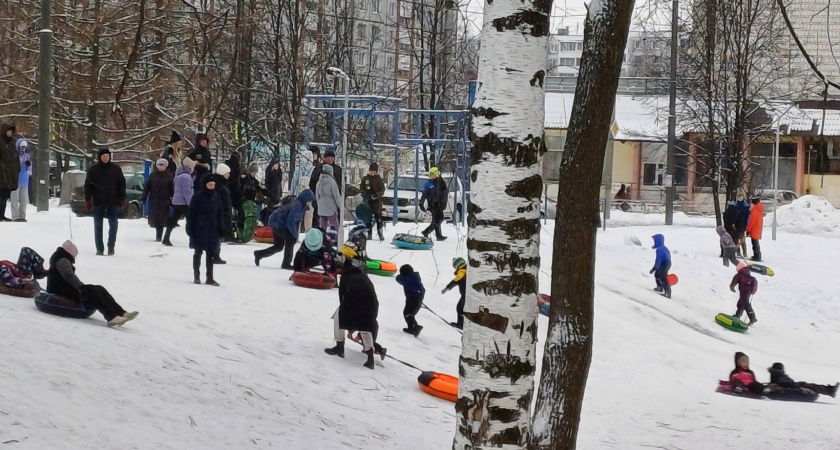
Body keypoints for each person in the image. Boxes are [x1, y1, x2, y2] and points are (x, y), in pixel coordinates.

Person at [46, 240, 138, 327]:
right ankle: (111, 317)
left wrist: (83, 287)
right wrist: (81, 287)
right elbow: (69, 276)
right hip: (59, 289)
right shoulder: (63, 260)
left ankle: (121, 312)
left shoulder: (61, 258)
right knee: (92, 291)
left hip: (63, 287)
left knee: (99, 288)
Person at [325, 259, 381, 370]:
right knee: (365, 327)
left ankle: (339, 347)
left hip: (353, 302)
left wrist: (347, 322)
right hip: (371, 305)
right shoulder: (365, 277)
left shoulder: (346, 277)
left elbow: (342, 297)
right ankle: (370, 359)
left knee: (338, 318)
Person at [254, 189, 315, 269]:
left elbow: (296, 223)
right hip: (278, 223)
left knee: (278, 246)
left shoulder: (301, 205)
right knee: (290, 240)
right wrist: (294, 235)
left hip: (276, 222)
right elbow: (291, 221)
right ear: (306, 199)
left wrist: (295, 234)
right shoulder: (297, 205)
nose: (310, 203)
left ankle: (259, 254)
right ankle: (286, 263)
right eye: (310, 200)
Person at [84, 148, 126, 256]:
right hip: (98, 202)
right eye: (103, 156)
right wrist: (88, 199)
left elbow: (122, 184)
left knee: (114, 225)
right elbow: (88, 186)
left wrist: (122, 198)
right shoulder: (93, 170)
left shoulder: (116, 169)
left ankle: (111, 247)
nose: (105, 158)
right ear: (100, 157)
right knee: (98, 226)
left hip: (113, 202)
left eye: (107, 156)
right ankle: (99, 248)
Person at [186, 175, 225, 286]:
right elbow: (191, 214)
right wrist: (190, 228)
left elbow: (220, 214)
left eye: (213, 185)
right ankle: (196, 275)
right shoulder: (197, 197)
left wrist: (221, 227)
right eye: (210, 185)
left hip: (213, 230)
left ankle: (209, 277)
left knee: (210, 254)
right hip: (199, 229)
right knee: (198, 252)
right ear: (205, 185)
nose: (212, 187)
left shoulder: (216, 197)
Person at [162, 157, 195, 246]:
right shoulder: (187, 177)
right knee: (191, 221)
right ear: (190, 167)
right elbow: (187, 192)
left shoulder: (179, 175)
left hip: (177, 202)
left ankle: (166, 238)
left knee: (173, 220)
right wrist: (191, 203)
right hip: (184, 203)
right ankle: (193, 240)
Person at [141, 159, 175, 242]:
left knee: (162, 218)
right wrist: (144, 197)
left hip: (164, 200)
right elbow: (147, 187)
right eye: (160, 165)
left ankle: (159, 235)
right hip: (154, 199)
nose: (161, 167)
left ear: (165, 166)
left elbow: (172, 189)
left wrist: (172, 199)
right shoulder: (153, 175)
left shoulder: (169, 176)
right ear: (157, 166)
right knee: (155, 217)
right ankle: (158, 233)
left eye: (163, 165)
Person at [768, 363, 838, 398]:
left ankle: (829, 390)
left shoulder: (775, 374)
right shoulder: (779, 374)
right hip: (791, 387)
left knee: (806, 384)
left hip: (789, 386)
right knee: (808, 386)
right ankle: (829, 391)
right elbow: (786, 382)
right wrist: (798, 387)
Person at [211, 163, 233, 264]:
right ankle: (214, 255)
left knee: (218, 236)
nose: (228, 175)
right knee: (217, 236)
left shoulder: (222, 184)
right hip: (220, 214)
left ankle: (215, 254)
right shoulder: (219, 185)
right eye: (227, 173)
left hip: (222, 213)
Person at [396, 264, 425, 337]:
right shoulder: (415, 277)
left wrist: (416, 297)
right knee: (409, 313)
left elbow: (398, 278)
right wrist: (420, 297)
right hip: (416, 298)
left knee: (408, 313)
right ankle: (415, 327)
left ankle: (413, 328)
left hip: (413, 298)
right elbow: (423, 289)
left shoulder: (408, 278)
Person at [420, 167, 448, 241]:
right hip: (433, 204)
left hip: (439, 204)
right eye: (430, 174)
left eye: (433, 174)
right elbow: (424, 194)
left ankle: (430, 233)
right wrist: (421, 204)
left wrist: (443, 203)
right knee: (437, 220)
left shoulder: (440, 182)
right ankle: (431, 233)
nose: (431, 176)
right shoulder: (428, 184)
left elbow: (444, 193)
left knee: (438, 219)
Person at [360, 163, 386, 241]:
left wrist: (377, 195)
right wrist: (363, 195)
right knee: (368, 219)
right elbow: (361, 189)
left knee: (378, 218)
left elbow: (382, 190)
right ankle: (369, 233)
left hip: (376, 202)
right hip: (367, 201)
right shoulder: (365, 179)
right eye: (371, 171)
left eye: (374, 171)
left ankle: (380, 233)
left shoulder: (379, 179)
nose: (373, 173)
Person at [0, 123, 20, 221]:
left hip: (11, 174)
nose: (9, 133)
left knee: (5, 196)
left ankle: (1, 214)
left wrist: (17, 169)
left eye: (11, 132)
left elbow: (15, 158)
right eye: (8, 131)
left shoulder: (12, 143)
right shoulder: (1, 143)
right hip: (2, 174)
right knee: (1, 195)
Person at [442, 257, 467, 329]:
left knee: (460, 307)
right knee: (464, 307)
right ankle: (463, 324)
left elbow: (456, 280)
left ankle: (461, 324)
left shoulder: (462, 271)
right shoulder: (468, 269)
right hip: (469, 293)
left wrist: (447, 287)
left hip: (466, 294)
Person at [315, 164, 342, 231]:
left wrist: (320, 205)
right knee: (335, 227)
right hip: (331, 209)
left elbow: (317, 196)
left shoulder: (319, 182)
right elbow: (337, 196)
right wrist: (341, 207)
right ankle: (336, 240)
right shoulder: (332, 182)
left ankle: (323, 239)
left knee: (322, 228)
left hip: (321, 208)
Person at [10, 138, 31, 221]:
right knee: (14, 199)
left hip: (24, 181)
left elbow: (29, 165)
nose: (23, 149)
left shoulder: (27, 156)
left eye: (24, 147)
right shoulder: (14, 155)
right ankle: (15, 216)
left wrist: (29, 170)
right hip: (15, 180)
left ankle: (22, 215)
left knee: (24, 199)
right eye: (22, 147)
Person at [649, 233, 671, 298]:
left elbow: (659, 259)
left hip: (664, 263)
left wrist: (655, 267)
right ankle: (659, 287)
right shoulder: (664, 248)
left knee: (662, 277)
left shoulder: (659, 249)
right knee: (657, 275)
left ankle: (668, 293)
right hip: (667, 263)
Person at [308, 145, 324, 227]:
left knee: (315, 216)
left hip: (315, 194)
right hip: (312, 194)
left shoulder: (318, 167)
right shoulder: (307, 166)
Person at [745, 197, 764, 261]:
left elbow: (751, 222)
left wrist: (748, 230)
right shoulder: (759, 210)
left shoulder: (754, 211)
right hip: (757, 228)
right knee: (756, 243)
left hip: (754, 229)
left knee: (755, 244)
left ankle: (757, 256)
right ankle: (757, 255)